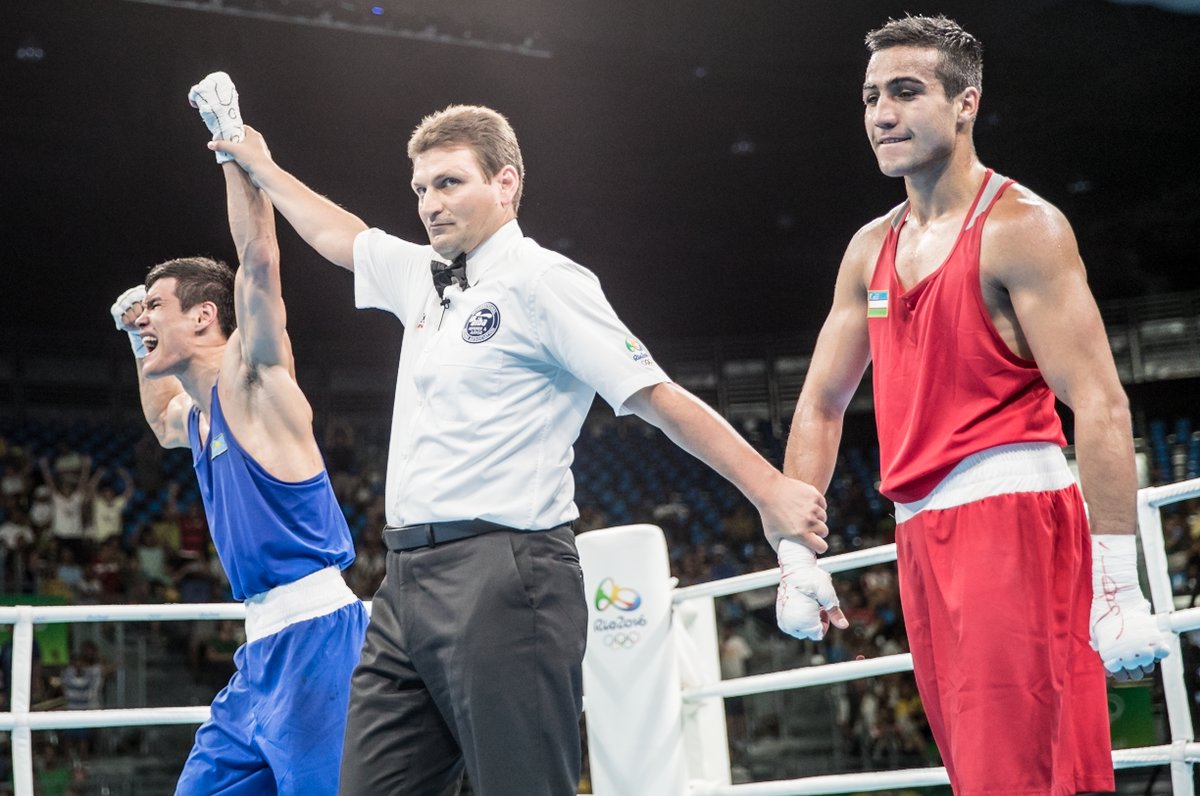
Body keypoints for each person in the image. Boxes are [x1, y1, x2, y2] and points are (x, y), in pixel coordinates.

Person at [208, 76, 845, 794]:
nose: (430, 204)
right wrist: (258, 164)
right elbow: (338, 233)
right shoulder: (424, 275)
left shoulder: (547, 281)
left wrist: (771, 493)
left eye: (448, 183)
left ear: (506, 183)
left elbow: (657, 397)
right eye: (420, 189)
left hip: (507, 575)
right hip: (403, 582)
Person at [783, 14, 1170, 794]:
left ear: (967, 103)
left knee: (1023, 774)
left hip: (1012, 523)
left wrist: (1119, 583)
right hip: (920, 536)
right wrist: (795, 550)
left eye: (905, 92)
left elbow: (1098, 402)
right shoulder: (869, 248)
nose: (882, 114)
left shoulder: (1022, 228)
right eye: (869, 97)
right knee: (979, 774)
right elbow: (822, 404)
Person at [107, 71, 368, 795]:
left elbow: (258, 260)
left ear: (203, 317)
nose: (145, 318)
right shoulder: (197, 417)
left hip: (320, 644)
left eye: (157, 307)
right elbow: (161, 420)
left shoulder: (256, 384)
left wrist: (230, 141)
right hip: (259, 656)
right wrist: (138, 347)